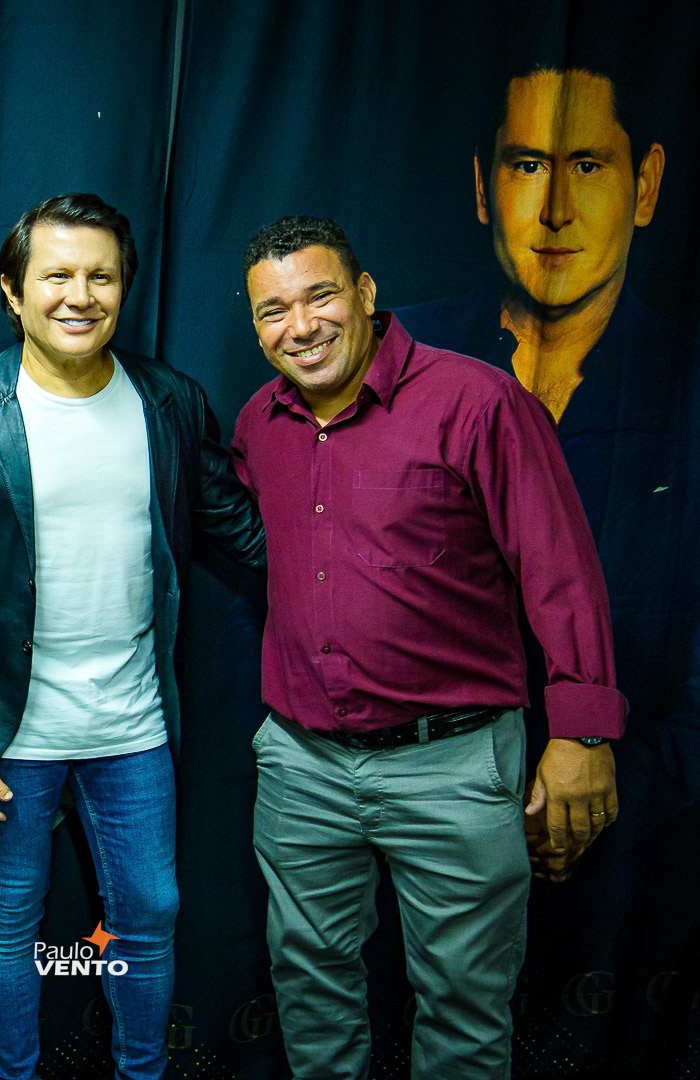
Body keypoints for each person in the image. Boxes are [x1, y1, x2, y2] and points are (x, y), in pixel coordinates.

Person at [232, 215, 627, 1080]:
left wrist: (583, 733)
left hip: (453, 767)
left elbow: (560, 569)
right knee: (309, 991)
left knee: (464, 1011)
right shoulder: (260, 421)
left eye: (320, 296)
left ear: (367, 293)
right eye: (273, 311)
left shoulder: (477, 402)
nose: (300, 326)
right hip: (302, 768)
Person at [0, 193, 266, 1080]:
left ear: (124, 288)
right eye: (57, 274)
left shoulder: (169, 402)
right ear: (13, 290)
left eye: (100, 276)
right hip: (8, 737)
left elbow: (246, 531)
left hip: (134, 728)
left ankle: (141, 1074)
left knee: (150, 913)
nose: (80, 295)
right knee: (8, 921)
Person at [395, 61, 700, 870]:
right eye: (528, 165)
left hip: (636, 844)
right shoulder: (387, 357)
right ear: (483, 187)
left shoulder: (689, 389)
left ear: (645, 186)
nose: (557, 209)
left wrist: (609, 804)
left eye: (588, 166)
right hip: (402, 819)